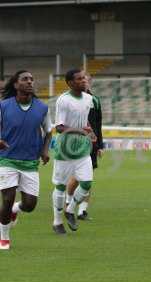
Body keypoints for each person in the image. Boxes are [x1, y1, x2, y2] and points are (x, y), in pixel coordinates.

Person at [0, 70, 52, 250]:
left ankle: (15, 211)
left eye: (31, 79)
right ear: (16, 85)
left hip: (30, 162)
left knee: (30, 205)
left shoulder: (42, 108)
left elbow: (49, 131)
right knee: (7, 199)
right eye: (25, 79)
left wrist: (45, 151)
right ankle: (4, 237)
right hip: (6, 160)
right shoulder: (3, 106)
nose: (30, 82)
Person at [51, 69, 95, 234]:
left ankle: (70, 209)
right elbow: (60, 127)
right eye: (79, 79)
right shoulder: (64, 100)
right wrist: (81, 131)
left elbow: (84, 121)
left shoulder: (89, 98)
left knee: (86, 183)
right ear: (70, 83)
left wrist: (90, 131)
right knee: (61, 185)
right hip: (65, 149)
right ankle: (57, 221)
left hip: (83, 148)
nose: (84, 80)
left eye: (84, 77)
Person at [65, 74, 104, 220]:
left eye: (86, 80)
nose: (84, 82)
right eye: (81, 80)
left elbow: (98, 123)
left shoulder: (95, 100)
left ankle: (82, 211)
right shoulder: (70, 100)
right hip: (75, 143)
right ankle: (69, 203)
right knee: (75, 177)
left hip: (92, 143)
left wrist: (100, 144)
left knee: (88, 178)